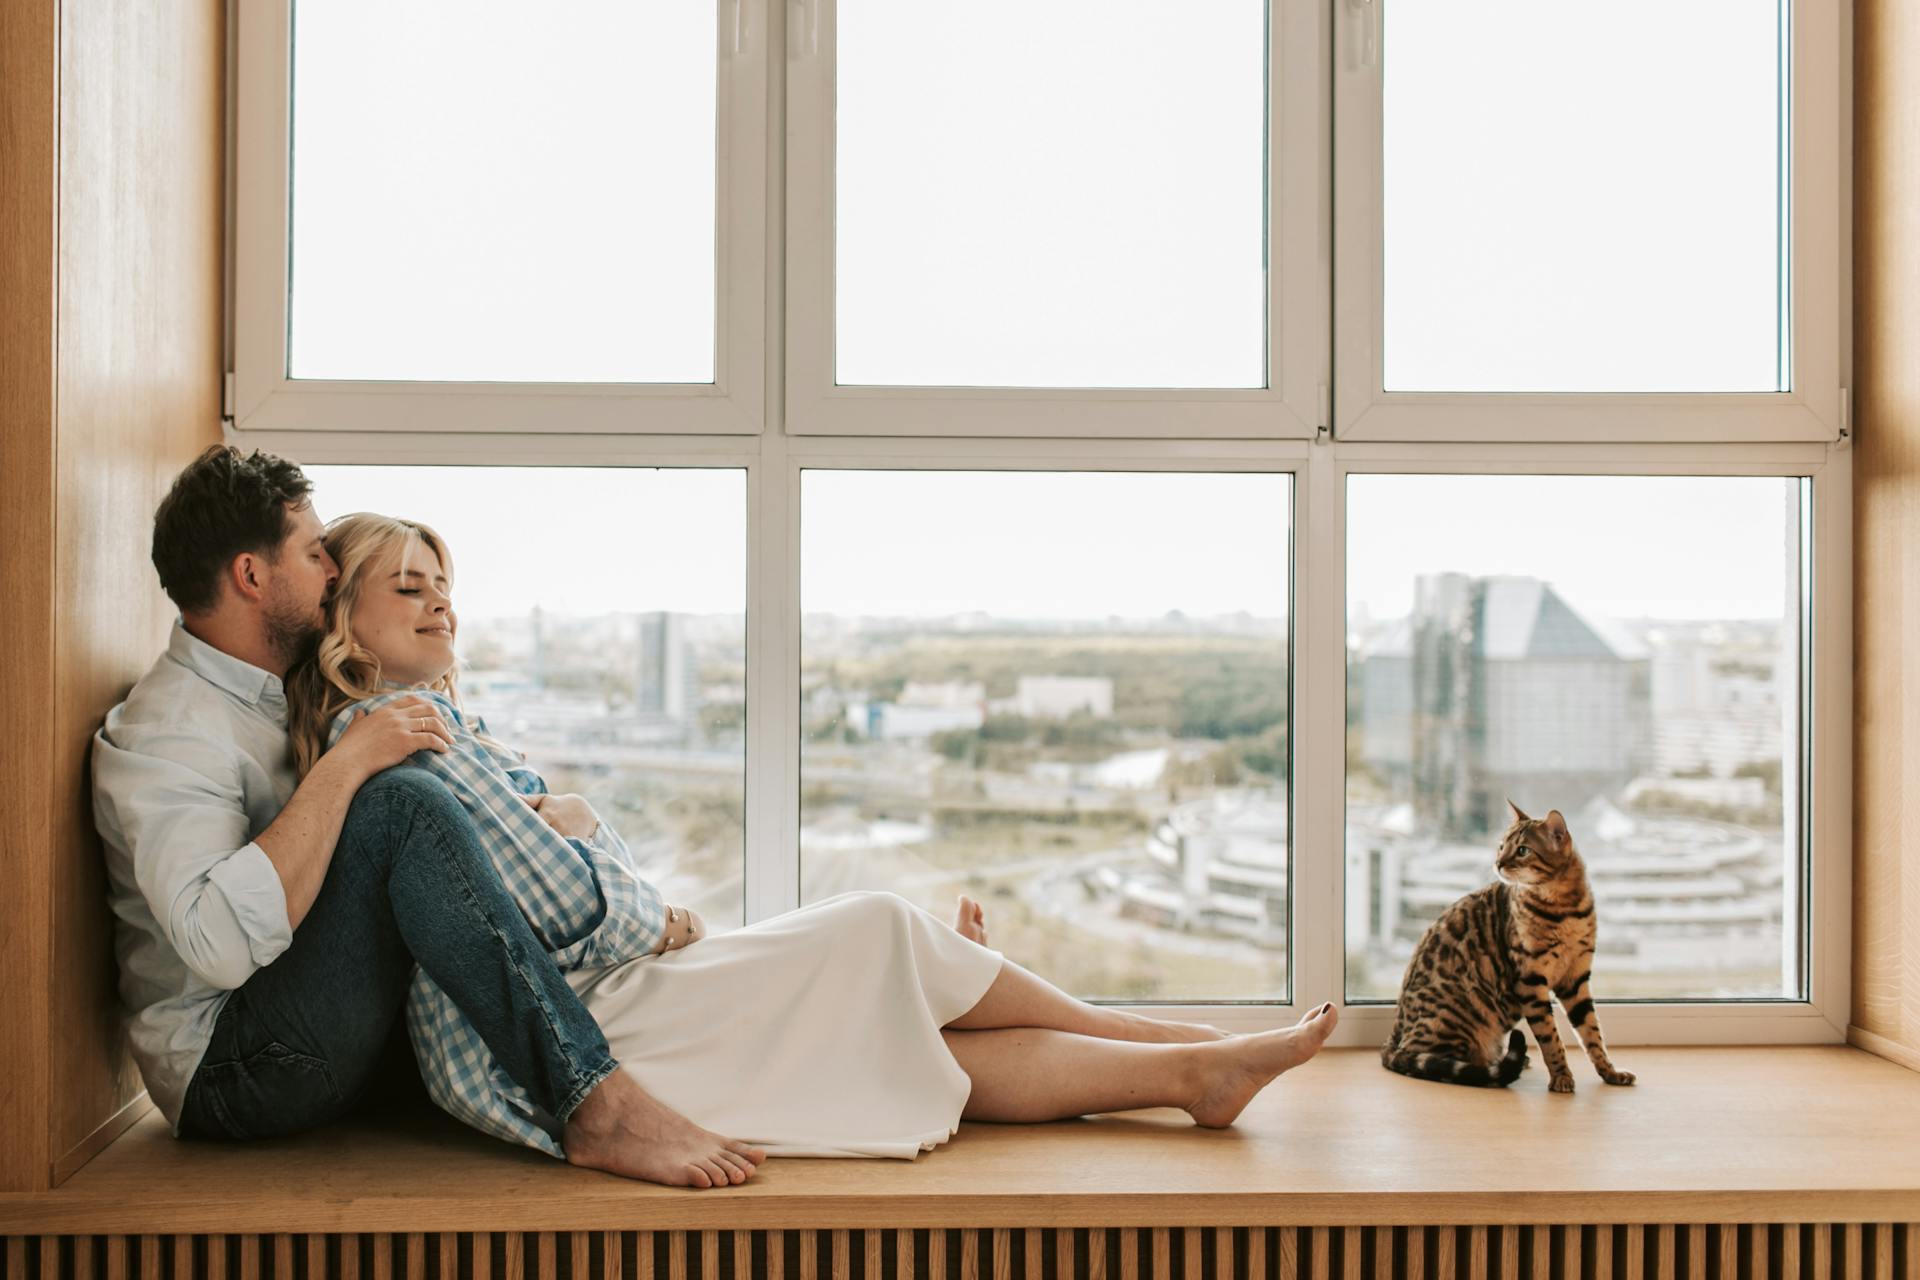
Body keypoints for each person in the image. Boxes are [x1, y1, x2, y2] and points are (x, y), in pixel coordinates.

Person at [276, 509, 1341, 1180]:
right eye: (405, 585)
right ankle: (1155, 1044)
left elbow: (577, 877)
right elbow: (563, 901)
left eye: (443, 581)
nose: (439, 600)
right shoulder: (396, 740)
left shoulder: (441, 727)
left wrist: (595, 841)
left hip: (608, 989)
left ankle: (1182, 1065)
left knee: (903, 1014)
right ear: (342, 621)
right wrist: (627, 870)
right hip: (572, 1029)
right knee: (878, 930)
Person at [93, 446, 763, 1190]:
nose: (331, 573)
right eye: (315, 554)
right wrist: (349, 767)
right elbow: (216, 944)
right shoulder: (171, 732)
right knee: (400, 803)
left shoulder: (284, 693)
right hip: (237, 1070)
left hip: (319, 1026)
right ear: (252, 576)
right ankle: (594, 1104)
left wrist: (523, 817)